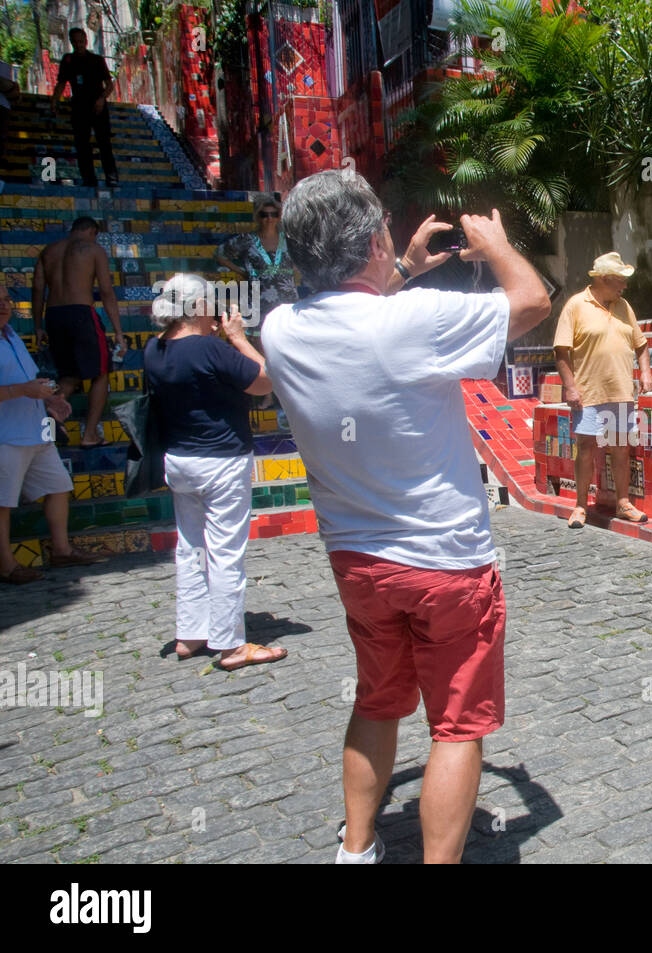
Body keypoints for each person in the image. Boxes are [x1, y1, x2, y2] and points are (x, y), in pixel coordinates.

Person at [261, 169, 549, 864]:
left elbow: (353, 321)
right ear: (370, 245)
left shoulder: (279, 331)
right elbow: (533, 301)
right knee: (456, 727)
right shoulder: (415, 321)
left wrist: (405, 269)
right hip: (446, 562)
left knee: (378, 700)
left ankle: (357, 848)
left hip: (358, 563)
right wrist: (497, 243)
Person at [144, 274, 283, 671]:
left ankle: (191, 634)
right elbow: (265, 380)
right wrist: (239, 338)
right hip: (220, 460)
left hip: (179, 460)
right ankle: (231, 643)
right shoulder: (208, 348)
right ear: (197, 307)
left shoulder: (154, 349)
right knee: (225, 552)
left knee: (190, 547)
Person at [0, 283, 105, 584]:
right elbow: (21, 386)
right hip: (6, 436)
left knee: (58, 486)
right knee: (3, 502)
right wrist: (24, 390)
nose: (4, 306)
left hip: (35, 431)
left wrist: (49, 401)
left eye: (7, 300)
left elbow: (27, 381)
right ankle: (6, 564)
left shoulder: (11, 337)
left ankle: (61, 549)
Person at [553, 252, 652, 529]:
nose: (624, 286)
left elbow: (641, 344)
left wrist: (645, 371)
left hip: (621, 391)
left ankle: (623, 504)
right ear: (604, 279)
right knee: (585, 448)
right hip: (588, 394)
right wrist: (570, 387)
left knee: (620, 448)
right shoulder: (576, 305)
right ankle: (581, 506)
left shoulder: (623, 306)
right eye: (620, 280)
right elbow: (561, 350)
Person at [32, 216, 125, 448]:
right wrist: (118, 331)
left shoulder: (48, 251)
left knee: (69, 375)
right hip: (81, 313)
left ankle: (51, 424)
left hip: (54, 315)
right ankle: (90, 434)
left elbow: (37, 289)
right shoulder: (94, 249)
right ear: (92, 231)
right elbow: (106, 291)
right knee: (101, 372)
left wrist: (37, 326)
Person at [214, 195, 299, 334]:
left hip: (286, 295)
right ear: (258, 217)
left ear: (279, 216)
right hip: (257, 295)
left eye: (274, 214)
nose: (269, 218)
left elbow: (306, 254)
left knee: (287, 333)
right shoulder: (247, 239)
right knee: (259, 336)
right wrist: (242, 272)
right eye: (264, 214)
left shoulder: (289, 239)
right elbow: (220, 254)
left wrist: (291, 270)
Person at [51, 28, 117, 188]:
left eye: (81, 41)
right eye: (75, 42)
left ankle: (111, 176)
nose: (79, 45)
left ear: (86, 41)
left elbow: (109, 84)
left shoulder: (96, 60)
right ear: (71, 42)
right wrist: (55, 102)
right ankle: (89, 179)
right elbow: (61, 84)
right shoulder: (68, 60)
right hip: (79, 107)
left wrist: (102, 99)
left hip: (98, 105)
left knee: (104, 142)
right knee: (82, 144)